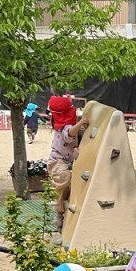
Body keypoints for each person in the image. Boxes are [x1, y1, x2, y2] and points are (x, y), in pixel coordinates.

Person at [47, 95, 89, 230]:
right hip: (57, 161)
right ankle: (58, 212)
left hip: (67, 161)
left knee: (72, 184)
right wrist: (81, 123)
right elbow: (69, 134)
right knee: (63, 179)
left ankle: (63, 210)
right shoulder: (63, 127)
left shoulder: (65, 124)